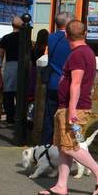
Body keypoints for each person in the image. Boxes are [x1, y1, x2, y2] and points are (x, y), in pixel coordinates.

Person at [38, 19, 98, 195]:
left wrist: (71, 109)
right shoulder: (87, 52)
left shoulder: (78, 54)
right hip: (70, 107)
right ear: (84, 33)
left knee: (70, 146)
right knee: (64, 146)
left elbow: (76, 83)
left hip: (74, 108)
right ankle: (61, 185)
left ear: (67, 36)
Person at [40, 13, 71, 151]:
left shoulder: (51, 37)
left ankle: (45, 147)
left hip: (52, 81)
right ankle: (64, 146)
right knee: (66, 118)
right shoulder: (70, 39)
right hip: (66, 83)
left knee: (49, 117)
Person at [0, 16, 24, 125]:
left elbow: (1, 55)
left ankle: (10, 117)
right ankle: (20, 117)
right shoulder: (25, 38)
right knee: (20, 93)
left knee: (8, 92)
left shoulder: (5, 38)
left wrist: (0, 67)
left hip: (10, 65)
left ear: (12, 25)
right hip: (23, 66)